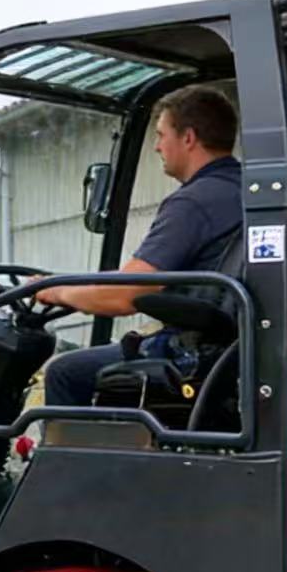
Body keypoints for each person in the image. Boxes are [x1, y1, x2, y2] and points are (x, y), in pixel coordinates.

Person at [37, 85, 242, 406]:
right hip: (235, 353)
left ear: (188, 138)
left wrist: (58, 291)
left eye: (161, 135)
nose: (158, 147)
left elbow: (124, 293)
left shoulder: (192, 203)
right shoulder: (255, 194)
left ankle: (75, 457)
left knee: (65, 371)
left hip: (196, 356)